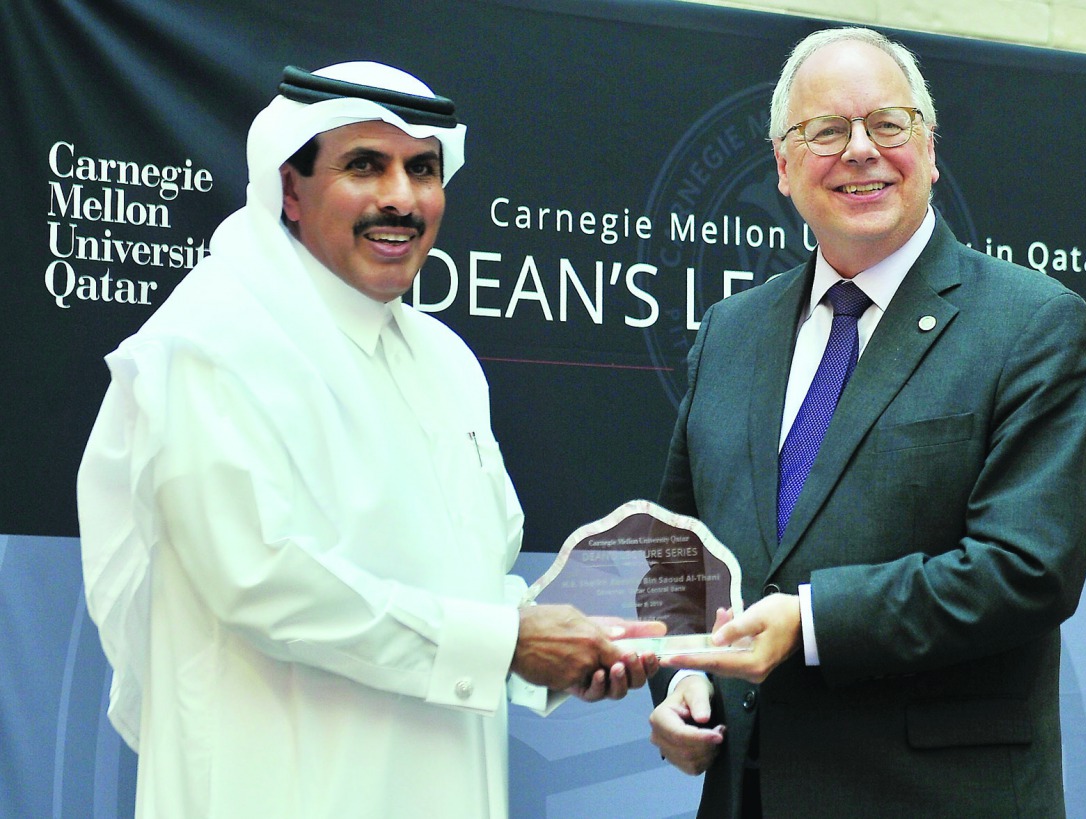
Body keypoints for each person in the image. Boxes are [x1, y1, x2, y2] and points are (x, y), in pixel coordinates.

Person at [77, 61, 660, 818]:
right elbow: (264, 579)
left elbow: (459, 583)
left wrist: (564, 652)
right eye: (364, 166)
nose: (400, 198)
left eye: (422, 169)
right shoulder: (211, 340)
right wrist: (505, 642)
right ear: (291, 189)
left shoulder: (446, 362)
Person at [647, 27, 1086, 818]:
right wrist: (684, 675)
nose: (861, 150)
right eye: (827, 131)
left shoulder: (1031, 325)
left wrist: (811, 622)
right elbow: (678, 552)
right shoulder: (730, 331)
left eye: (888, 124)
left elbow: (1027, 568)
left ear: (929, 149)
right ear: (784, 170)